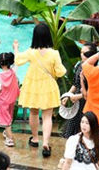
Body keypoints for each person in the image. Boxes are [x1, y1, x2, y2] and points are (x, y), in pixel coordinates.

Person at [14, 22, 65, 158]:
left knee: (34, 113)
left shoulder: (31, 52)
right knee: (47, 116)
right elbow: (61, 72)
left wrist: (16, 48)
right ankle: (46, 143)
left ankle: (35, 139)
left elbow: (18, 61)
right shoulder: (54, 53)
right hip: (48, 86)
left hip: (33, 86)